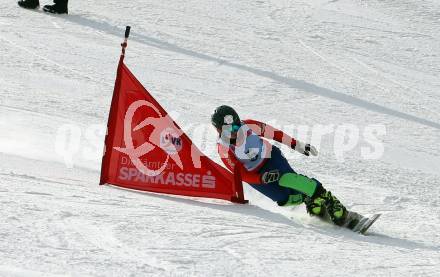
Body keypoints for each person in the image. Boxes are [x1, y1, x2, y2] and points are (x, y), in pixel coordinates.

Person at [211, 105, 350, 226]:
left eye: (236, 126)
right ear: (219, 131)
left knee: (287, 179)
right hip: (255, 175)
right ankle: (308, 198)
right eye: (229, 130)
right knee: (285, 199)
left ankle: (329, 201)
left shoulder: (249, 126)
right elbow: (240, 174)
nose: (235, 131)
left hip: (271, 158)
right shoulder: (223, 149)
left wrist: (296, 144)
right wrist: (261, 179)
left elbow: (275, 134)